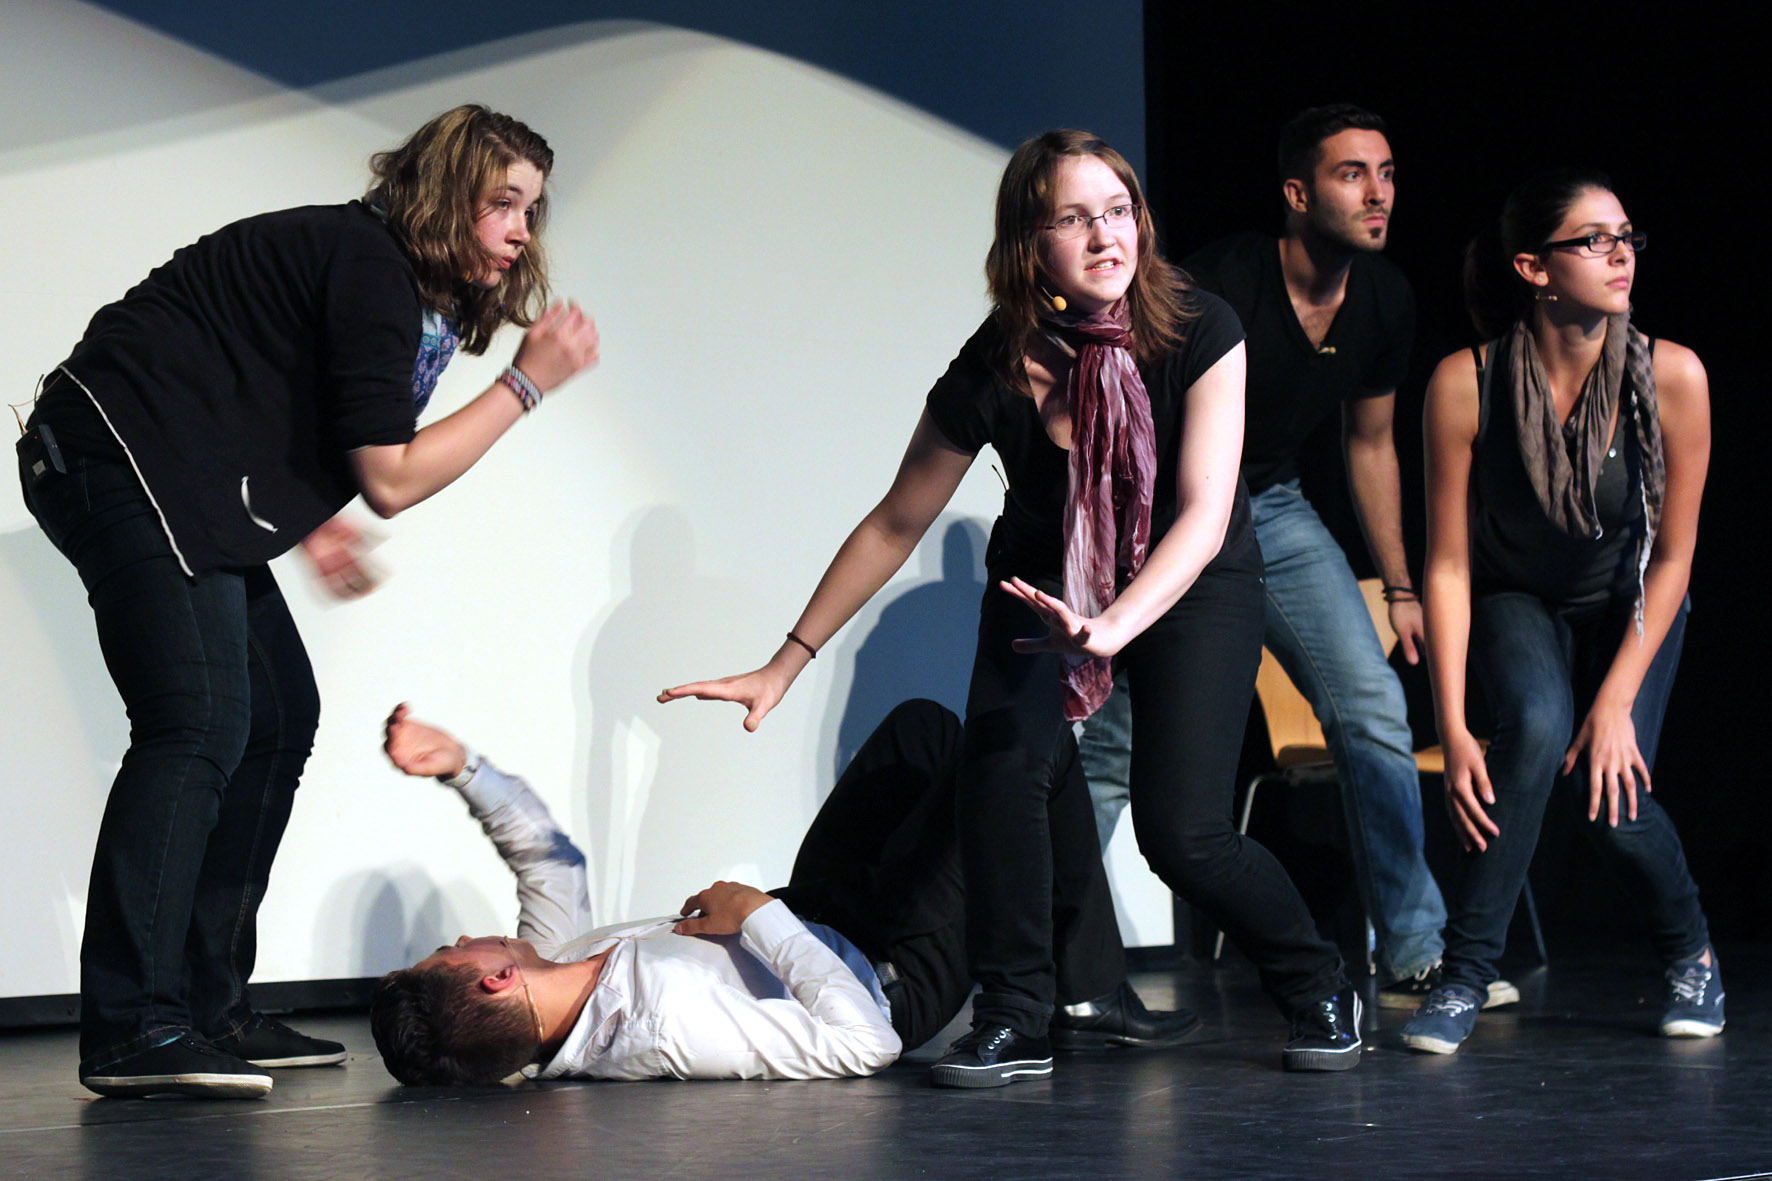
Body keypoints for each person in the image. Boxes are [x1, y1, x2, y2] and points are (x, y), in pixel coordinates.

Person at [660, 129, 1361, 1083]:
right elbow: (896, 521)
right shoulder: (994, 365)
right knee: (1002, 768)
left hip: (1190, 580)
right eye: (1074, 219)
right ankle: (1017, 1013)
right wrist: (786, 661)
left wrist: (1111, 627)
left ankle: (1318, 981)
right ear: (1029, 244)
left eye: (1119, 211)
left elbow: (1203, 515)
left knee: (1182, 835)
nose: (1106, 238)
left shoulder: (1200, 326)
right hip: (1046, 572)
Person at [15, 105, 601, 1100]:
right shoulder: (371, 267)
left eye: (532, 211)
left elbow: (285, 394)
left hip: (182, 477)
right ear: (446, 191)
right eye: (502, 203)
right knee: (200, 718)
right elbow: (391, 478)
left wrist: (305, 518)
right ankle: (132, 1023)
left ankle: (208, 1003)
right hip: (114, 452)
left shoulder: (396, 286)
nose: (520, 232)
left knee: (279, 712)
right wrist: (526, 385)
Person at [1077, 104, 1512, 1011]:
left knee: (1371, 707)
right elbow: (1127, 412)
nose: (1378, 193)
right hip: (1164, 514)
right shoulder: (1218, 282)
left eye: (1387, 173)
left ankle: (1414, 950)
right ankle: (1052, 960)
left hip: (1270, 507)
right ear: (1298, 193)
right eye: (1353, 173)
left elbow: (1370, 444)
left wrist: (1400, 585)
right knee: (1113, 747)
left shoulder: (1384, 298)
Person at [370, 699, 1197, 1084]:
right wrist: (759, 915)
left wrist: (465, 770)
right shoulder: (663, 1028)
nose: (467, 934)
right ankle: (1087, 990)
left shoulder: (558, 964)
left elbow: (551, 864)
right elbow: (866, 1041)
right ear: (494, 978)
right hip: (892, 968)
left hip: (821, 912)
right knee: (1023, 747)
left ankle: (1068, 965)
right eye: (453, 948)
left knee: (921, 731)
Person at [1401, 169, 1721, 1054]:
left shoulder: (1674, 375)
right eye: (1593, 239)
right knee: (1535, 733)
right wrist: (1453, 723)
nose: (1620, 254)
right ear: (1534, 268)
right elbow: (1450, 563)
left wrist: (1615, 700)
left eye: (1626, 236)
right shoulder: (1467, 382)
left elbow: (1674, 557)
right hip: (1518, 594)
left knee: (1611, 799)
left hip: (1632, 596)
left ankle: (1691, 951)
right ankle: (1465, 975)